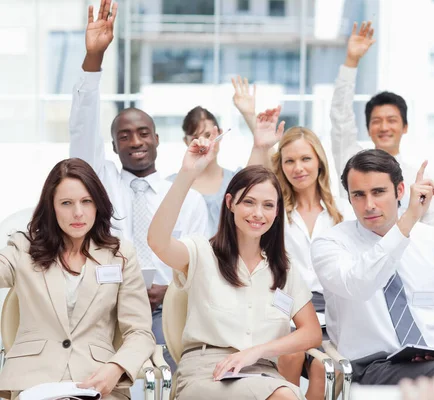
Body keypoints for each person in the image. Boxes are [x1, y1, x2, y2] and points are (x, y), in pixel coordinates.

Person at [68, 0, 208, 371]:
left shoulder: (187, 197)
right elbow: (82, 126)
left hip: (170, 310)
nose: (135, 142)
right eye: (125, 136)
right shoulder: (100, 182)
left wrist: (172, 290)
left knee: (173, 375)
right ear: (114, 146)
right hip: (107, 307)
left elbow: (200, 263)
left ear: (157, 139)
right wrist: (93, 58)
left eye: (143, 133)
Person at [147, 132, 322, 400]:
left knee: (285, 393)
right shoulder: (201, 253)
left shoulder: (283, 268)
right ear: (230, 203)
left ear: (276, 213)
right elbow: (157, 242)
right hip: (206, 374)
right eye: (249, 202)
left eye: (267, 205)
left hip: (262, 372)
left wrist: (257, 351)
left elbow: (311, 333)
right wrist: (187, 174)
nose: (257, 214)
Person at [311, 149, 434, 385]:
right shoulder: (331, 244)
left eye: (378, 192)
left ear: (400, 191)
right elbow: (359, 285)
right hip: (372, 366)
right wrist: (406, 223)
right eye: (358, 195)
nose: (369, 205)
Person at [0, 158, 155, 399]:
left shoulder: (120, 254)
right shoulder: (24, 247)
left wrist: (115, 369)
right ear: (51, 207)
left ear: (98, 205)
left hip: (97, 382)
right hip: (35, 382)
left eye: (86, 201)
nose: (78, 213)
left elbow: (141, 332)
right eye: (66, 203)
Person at [330, 21, 434, 239]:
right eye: (377, 121)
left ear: (405, 127)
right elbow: (340, 120)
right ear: (368, 129)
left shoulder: (418, 180)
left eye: (392, 120)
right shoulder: (352, 165)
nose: (384, 127)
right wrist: (351, 62)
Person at [271, 126, 355, 399]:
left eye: (306, 159)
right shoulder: (273, 210)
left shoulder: (343, 210)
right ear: (281, 166)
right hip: (286, 309)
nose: (298, 168)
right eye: (290, 161)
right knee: (291, 355)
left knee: (324, 369)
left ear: (319, 161)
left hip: (332, 312)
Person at [167, 76, 280, 237]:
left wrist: (249, 114)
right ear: (186, 142)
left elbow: (271, 162)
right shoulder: (171, 185)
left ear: (220, 133)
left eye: (209, 134)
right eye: (195, 137)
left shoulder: (235, 181)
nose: (204, 142)